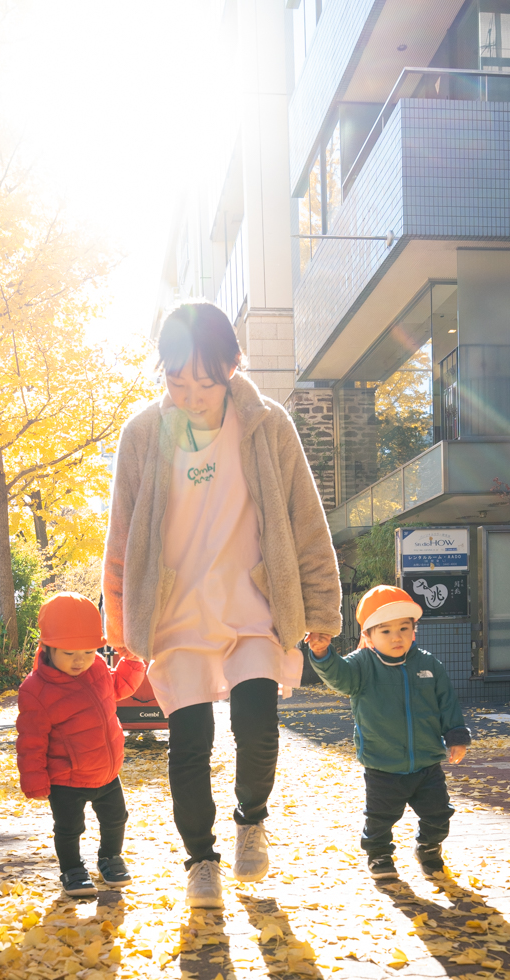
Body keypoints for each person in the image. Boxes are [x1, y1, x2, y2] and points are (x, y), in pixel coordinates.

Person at [103, 301, 341, 909]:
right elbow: (123, 534)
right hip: (176, 613)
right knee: (189, 743)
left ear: (233, 367)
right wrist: (120, 620)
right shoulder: (142, 434)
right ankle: (200, 861)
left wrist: (322, 609)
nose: (190, 396)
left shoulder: (268, 425)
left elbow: (305, 520)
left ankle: (250, 818)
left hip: (254, 605)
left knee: (258, 729)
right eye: (176, 381)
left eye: (204, 383)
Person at [306, 585, 470, 882]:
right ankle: (379, 853)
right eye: (385, 631)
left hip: (426, 763)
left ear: (414, 632)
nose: (397, 637)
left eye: (404, 629)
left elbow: (447, 702)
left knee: (440, 815)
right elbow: (339, 678)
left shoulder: (429, 665)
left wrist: (456, 735)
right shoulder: (361, 665)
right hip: (382, 763)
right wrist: (322, 654)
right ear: (367, 636)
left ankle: (429, 848)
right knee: (380, 819)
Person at [15, 593, 145, 898]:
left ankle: (110, 858)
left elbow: (118, 688)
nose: (80, 660)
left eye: (88, 651)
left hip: (107, 771)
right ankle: (72, 868)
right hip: (66, 779)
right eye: (70, 653)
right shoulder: (35, 690)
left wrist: (133, 662)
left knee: (116, 818)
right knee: (70, 828)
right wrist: (34, 779)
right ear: (47, 648)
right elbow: (30, 741)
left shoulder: (97, 667)